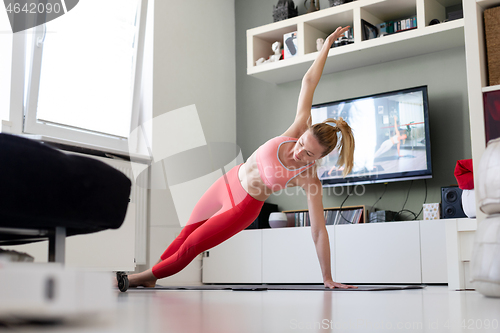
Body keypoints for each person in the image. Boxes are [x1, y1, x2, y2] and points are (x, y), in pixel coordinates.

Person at [126, 26, 357, 290]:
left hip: (243, 206)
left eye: (308, 154)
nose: (298, 151)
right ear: (303, 134)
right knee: (186, 232)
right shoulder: (298, 128)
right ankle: (154, 275)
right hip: (228, 182)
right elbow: (308, 81)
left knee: (192, 246)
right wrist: (326, 44)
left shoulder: (309, 177)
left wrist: (326, 277)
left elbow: (318, 231)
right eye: (302, 143)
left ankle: (139, 278)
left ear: (319, 158)